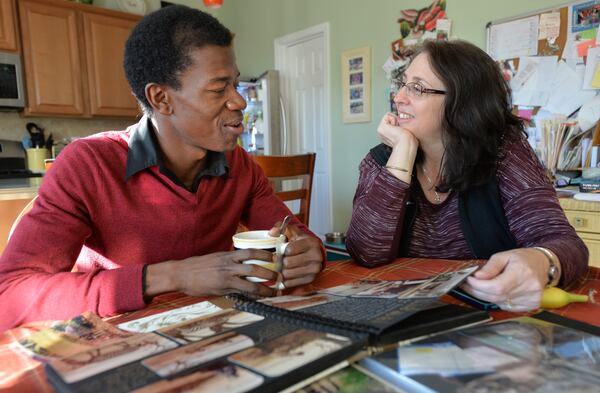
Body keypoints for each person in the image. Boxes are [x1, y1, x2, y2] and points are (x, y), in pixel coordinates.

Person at [0, 6, 323, 331]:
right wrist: (174, 275)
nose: (239, 102)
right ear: (161, 98)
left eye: (235, 85)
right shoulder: (89, 165)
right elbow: (10, 296)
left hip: (214, 333)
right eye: (218, 89)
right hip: (115, 344)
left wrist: (308, 252)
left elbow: (294, 235)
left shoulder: (240, 165)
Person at [345, 40, 588, 312]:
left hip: (487, 315)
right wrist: (403, 150)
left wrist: (544, 261)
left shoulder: (504, 151)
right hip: (403, 315)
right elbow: (367, 252)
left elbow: (566, 244)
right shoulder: (381, 161)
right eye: (402, 83)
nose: (399, 97)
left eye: (417, 88)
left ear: (462, 102)